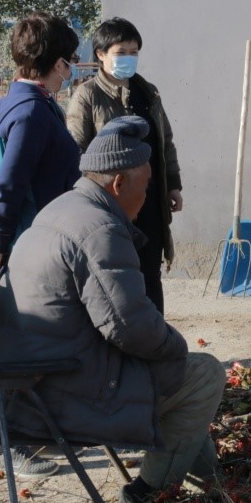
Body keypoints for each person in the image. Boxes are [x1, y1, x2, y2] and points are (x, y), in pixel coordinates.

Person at [0, 116, 226, 503]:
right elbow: (130, 327)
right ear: (119, 183)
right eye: (145, 186)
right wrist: (176, 347)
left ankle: (210, 479)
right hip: (54, 398)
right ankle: (147, 495)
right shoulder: (99, 229)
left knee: (179, 371)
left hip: (24, 386)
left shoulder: (62, 208)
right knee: (203, 374)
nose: (147, 197)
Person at [67, 17, 182, 314]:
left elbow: (165, 142)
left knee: (150, 275)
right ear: (101, 54)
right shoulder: (87, 95)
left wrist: (173, 184)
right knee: (116, 278)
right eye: (121, 52)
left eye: (134, 52)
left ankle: (156, 335)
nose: (128, 58)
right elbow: (77, 150)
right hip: (111, 205)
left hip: (150, 200)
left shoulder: (148, 93)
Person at [0, 12, 81, 274]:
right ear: (58, 64)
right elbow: (10, 183)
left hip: (45, 235)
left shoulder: (33, 104)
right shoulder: (31, 113)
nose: (70, 70)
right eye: (71, 61)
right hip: (36, 244)